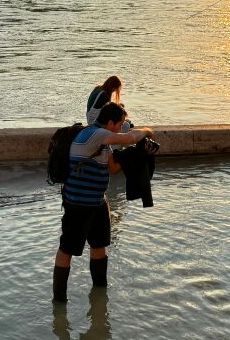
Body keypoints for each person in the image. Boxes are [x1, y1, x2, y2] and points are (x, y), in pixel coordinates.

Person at [53, 102, 154, 303]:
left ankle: (99, 292)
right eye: (121, 124)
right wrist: (147, 131)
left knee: (99, 246)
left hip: (98, 203)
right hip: (78, 204)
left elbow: (113, 168)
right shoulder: (95, 134)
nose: (122, 127)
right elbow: (131, 137)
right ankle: (59, 300)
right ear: (110, 122)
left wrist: (140, 153)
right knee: (67, 249)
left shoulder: (103, 143)